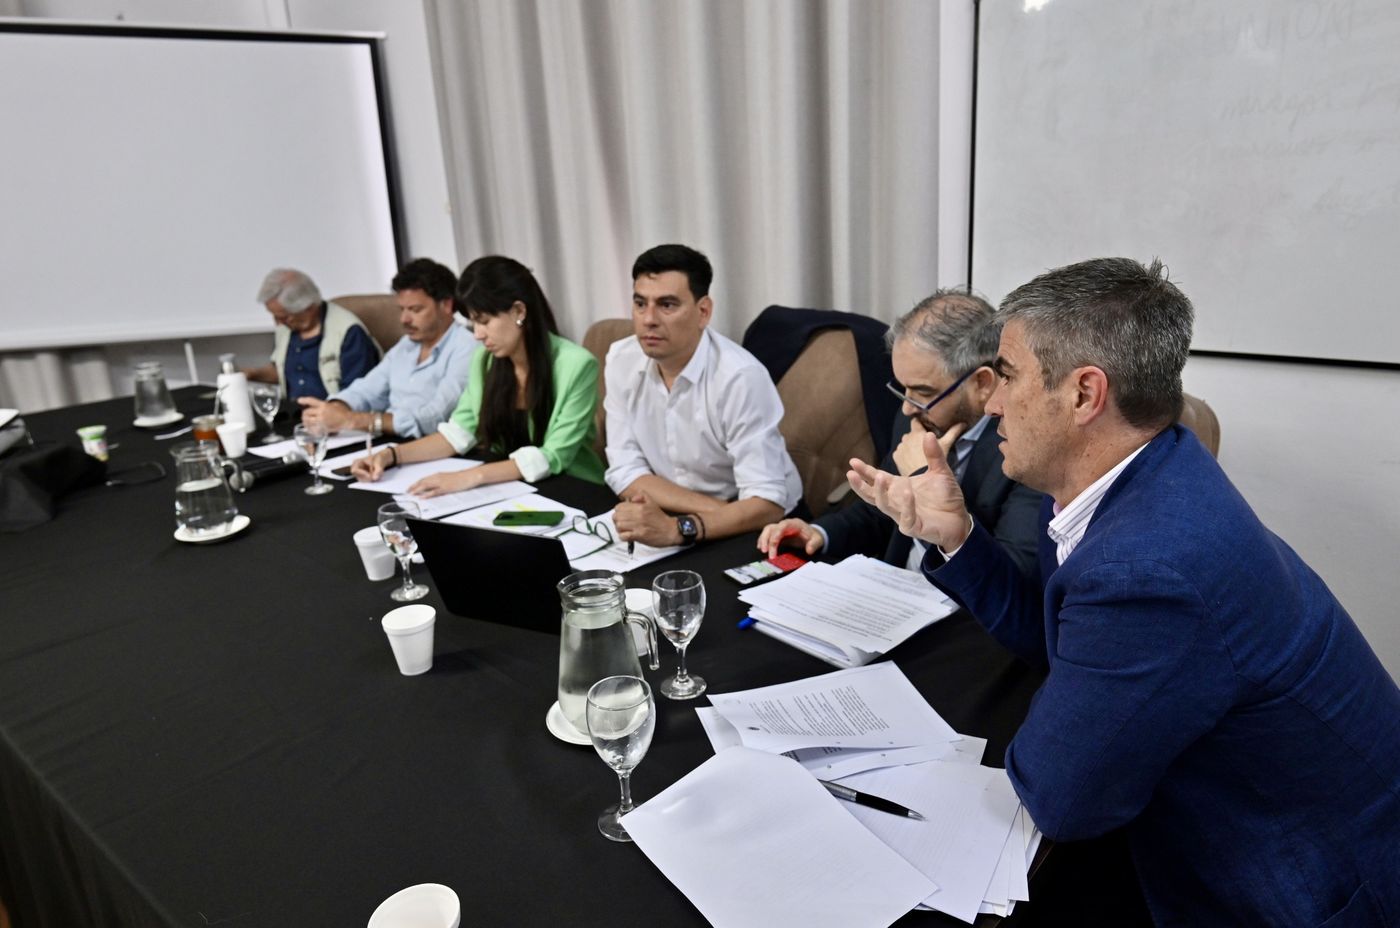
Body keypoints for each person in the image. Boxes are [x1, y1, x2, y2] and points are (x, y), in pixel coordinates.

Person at [848, 257, 1400, 926]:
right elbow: (1054, 638)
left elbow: (1060, 794)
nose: (991, 402)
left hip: (1295, 888)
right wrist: (957, 535)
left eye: (1011, 375)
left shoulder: (1150, 568)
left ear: (1083, 395)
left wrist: (1062, 704)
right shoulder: (1142, 472)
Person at [757, 289, 1041, 576]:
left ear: (982, 383)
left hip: (963, 612)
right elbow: (882, 510)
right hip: (896, 596)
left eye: (923, 392)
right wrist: (818, 532)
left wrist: (922, 479)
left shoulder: (1024, 450)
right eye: (904, 388)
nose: (907, 408)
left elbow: (1009, 576)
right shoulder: (919, 414)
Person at [350, 255, 603, 493]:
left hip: (572, 488)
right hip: (511, 487)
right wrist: (392, 455)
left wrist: (469, 477)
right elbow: (458, 433)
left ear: (519, 312)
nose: (477, 334)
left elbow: (554, 455)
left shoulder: (578, 365)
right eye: (473, 323)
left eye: (484, 321)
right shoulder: (485, 360)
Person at [604, 244, 802, 547]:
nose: (648, 319)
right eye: (640, 303)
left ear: (703, 312)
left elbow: (766, 503)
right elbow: (624, 469)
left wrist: (679, 527)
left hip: (756, 528)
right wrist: (702, 516)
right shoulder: (621, 358)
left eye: (667, 305)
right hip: (679, 514)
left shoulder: (739, 377)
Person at [298, 258, 475, 439]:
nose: (404, 319)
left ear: (446, 305)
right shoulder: (406, 345)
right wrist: (332, 410)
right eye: (401, 309)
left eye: (415, 309)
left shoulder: (467, 347)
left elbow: (435, 418)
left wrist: (353, 420)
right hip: (387, 440)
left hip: (433, 447)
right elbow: (366, 390)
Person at [244, 268, 379, 402]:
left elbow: (356, 394)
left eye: (284, 317)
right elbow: (285, 372)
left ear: (308, 307)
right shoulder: (286, 329)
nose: (278, 323)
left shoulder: (349, 332)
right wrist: (253, 374)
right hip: (294, 414)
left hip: (334, 416)